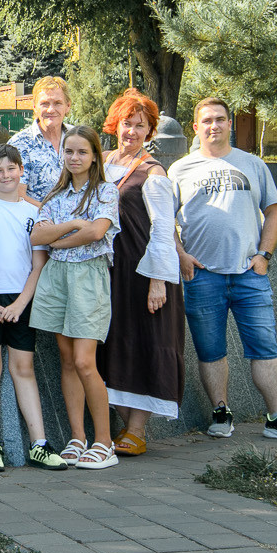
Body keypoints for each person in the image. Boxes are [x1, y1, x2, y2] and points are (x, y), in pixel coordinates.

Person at [169, 98, 277, 442]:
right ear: (196, 127)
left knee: (265, 347)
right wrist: (181, 256)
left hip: (250, 274)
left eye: (220, 119)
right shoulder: (180, 169)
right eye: (206, 121)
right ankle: (221, 413)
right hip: (202, 275)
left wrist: (264, 255)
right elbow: (162, 223)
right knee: (211, 350)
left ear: (230, 123)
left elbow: (274, 212)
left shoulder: (253, 164)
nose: (213, 126)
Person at [0, 144, 65, 471]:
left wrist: (22, 303)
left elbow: (38, 264)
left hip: (22, 300)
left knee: (24, 369)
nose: (5, 175)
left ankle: (39, 443)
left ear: (21, 170)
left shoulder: (34, 213)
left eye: (11, 169)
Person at [101, 90, 186, 455]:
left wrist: (157, 281)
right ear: (115, 125)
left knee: (144, 343)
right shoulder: (101, 161)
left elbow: (164, 229)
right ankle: (122, 425)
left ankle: (136, 431)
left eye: (141, 126)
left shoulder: (154, 173)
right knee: (114, 344)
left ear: (150, 132)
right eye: (127, 123)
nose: (132, 132)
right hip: (107, 272)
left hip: (142, 271)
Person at [32, 126, 121, 471]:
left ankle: (105, 441)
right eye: (69, 151)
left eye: (82, 152)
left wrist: (59, 235)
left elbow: (97, 231)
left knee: (85, 361)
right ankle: (77, 437)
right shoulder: (54, 197)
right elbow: (38, 237)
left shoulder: (105, 191)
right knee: (67, 361)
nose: (75, 158)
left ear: (95, 156)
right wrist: (74, 227)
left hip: (88, 277)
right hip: (57, 279)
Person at [9, 75, 75, 202]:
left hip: (78, 218)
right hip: (37, 218)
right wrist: (51, 217)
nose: (51, 109)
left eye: (57, 103)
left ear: (67, 106)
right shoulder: (19, 144)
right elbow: (18, 196)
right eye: (44, 104)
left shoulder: (78, 137)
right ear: (34, 106)